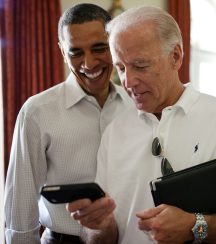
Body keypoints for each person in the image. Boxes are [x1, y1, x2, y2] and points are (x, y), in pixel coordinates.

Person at [66, 6, 216, 244]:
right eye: (121, 68)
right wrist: (99, 227)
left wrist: (197, 226)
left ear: (176, 56)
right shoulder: (113, 133)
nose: (128, 82)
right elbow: (102, 237)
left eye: (140, 65)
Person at [4, 3, 132, 243]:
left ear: (114, 45)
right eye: (76, 53)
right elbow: (20, 206)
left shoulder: (137, 106)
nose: (89, 63)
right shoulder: (37, 112)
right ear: (62, 51)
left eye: (99, 48)